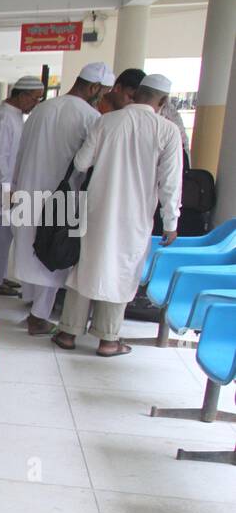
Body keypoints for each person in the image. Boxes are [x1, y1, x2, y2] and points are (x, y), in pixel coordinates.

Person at [53, 74, 183, 356]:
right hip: (134, 217)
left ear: (137, 94)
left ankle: (68, 332)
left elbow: (81, 162)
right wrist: (171, 222)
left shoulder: (107, 121)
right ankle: (108, 340)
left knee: (86, 264)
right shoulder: (167, 131)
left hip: (98, 209)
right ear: (162, 101)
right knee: (122, 271)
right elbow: (170, 183)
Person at [9, 62, 114, 334]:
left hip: (28, 189)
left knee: (31, 248)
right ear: (93, 87)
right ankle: (38, 316)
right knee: (52, 251)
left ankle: (33, 306)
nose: (101, 96)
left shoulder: (41, 109)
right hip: (60, 196)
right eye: (101, 91)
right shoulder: (90, 116)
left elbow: (20, 153)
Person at [0, 76, 45, 295]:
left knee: (4, 234)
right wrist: (7, 187)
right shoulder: (4, 117)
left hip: (7, 186)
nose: (35, 103)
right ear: (22, 96)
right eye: (34, 99)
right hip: (1, 187)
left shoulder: (13, 116)